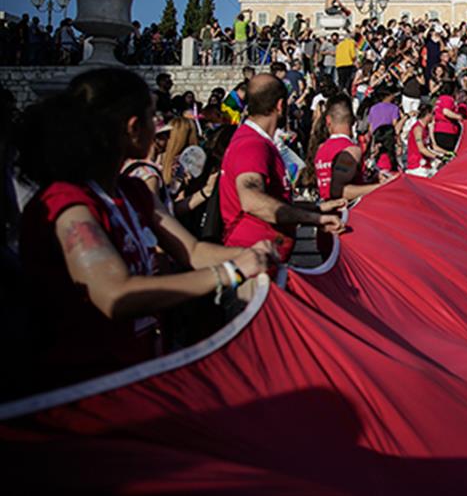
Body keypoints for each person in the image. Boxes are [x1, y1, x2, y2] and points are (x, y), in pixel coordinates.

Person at [13, 68, 279, 395]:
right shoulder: (67, 203)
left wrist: (253, 254)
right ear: (132, 127)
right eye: (153, 118)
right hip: (85, 391)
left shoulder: (134, 192)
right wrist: (231, 271)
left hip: (138, 375)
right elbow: (115, 294)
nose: (158, 128)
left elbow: (192, 251)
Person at [219, 74, 345, 262]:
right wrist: (314, 219)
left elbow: (275, 200)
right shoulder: (252, 145)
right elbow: (252, 200)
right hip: (254, 260)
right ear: (280, 105)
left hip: (264, 257)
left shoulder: (255, 141)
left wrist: (317, 208)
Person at [313, 95, 392, 202]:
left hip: (325, 211)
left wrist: (371, 179)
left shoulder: (321, 149)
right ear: (353, 121)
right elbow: (338, 190)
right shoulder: (352, 151)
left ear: (328, 120)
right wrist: (380, 187)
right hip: (347, 214)